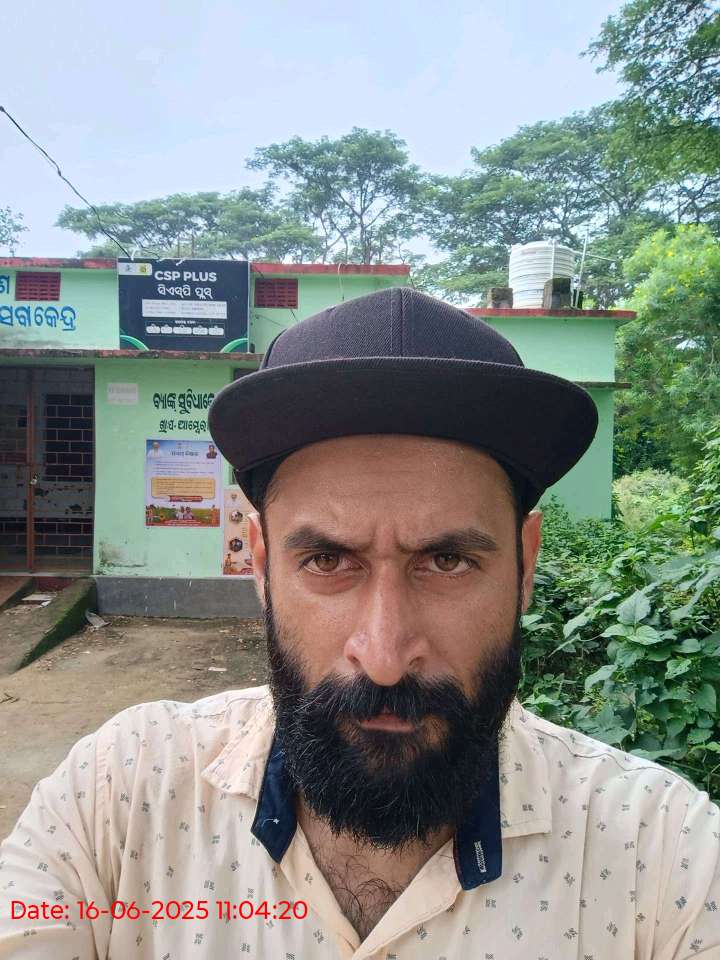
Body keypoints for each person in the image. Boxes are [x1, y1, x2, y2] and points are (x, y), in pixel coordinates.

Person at [0, 288, 717, 959]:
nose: (383, 656)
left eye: (447, 561)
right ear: (260, 563)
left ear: (525, 565)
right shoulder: (117, 798)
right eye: (326, 560)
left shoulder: (665, 859)